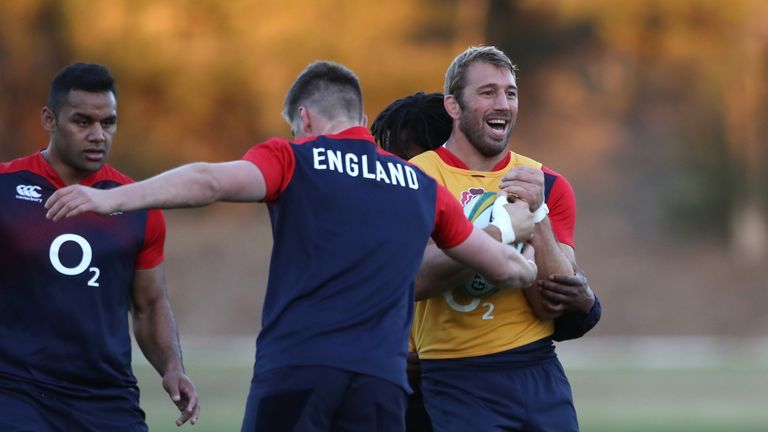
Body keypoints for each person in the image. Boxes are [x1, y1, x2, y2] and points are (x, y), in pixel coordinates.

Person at [44, 60, 541, 431]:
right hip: (382, 387)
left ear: (304, 118)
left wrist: (110, 198)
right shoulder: (419, 186)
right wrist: (521, 228)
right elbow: (505, 267)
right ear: (362, 118)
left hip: (301, 371)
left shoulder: (293, 158)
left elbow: (207, 182)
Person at [372, 89, 602, 431]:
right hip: (410, 392)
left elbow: (552, 308)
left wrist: (585, 304)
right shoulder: (384, 201)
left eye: (405, 159)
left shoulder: (535, 189)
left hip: (493, 380)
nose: (398, 173)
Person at [0, 63, 199, 431]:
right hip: (15, 391)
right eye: (82, 122)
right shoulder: (6, 187)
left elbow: (149, 304)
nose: (98, 135)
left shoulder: (139, 204)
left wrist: (173, 367)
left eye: (108, 123)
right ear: (49, 119)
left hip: (105, 398)